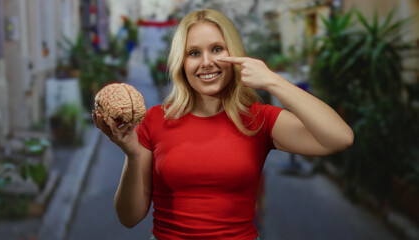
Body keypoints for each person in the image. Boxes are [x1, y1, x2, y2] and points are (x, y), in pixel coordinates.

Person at [92, 9, 354, 240]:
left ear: (234, 54)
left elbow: (340, 138)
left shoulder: (258, 120)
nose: (207, 62)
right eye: (194, 53)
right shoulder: (155, 119)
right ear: (181, 64)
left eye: (217, 49)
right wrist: (131, 154)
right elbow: (129, 218)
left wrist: (273, 81)